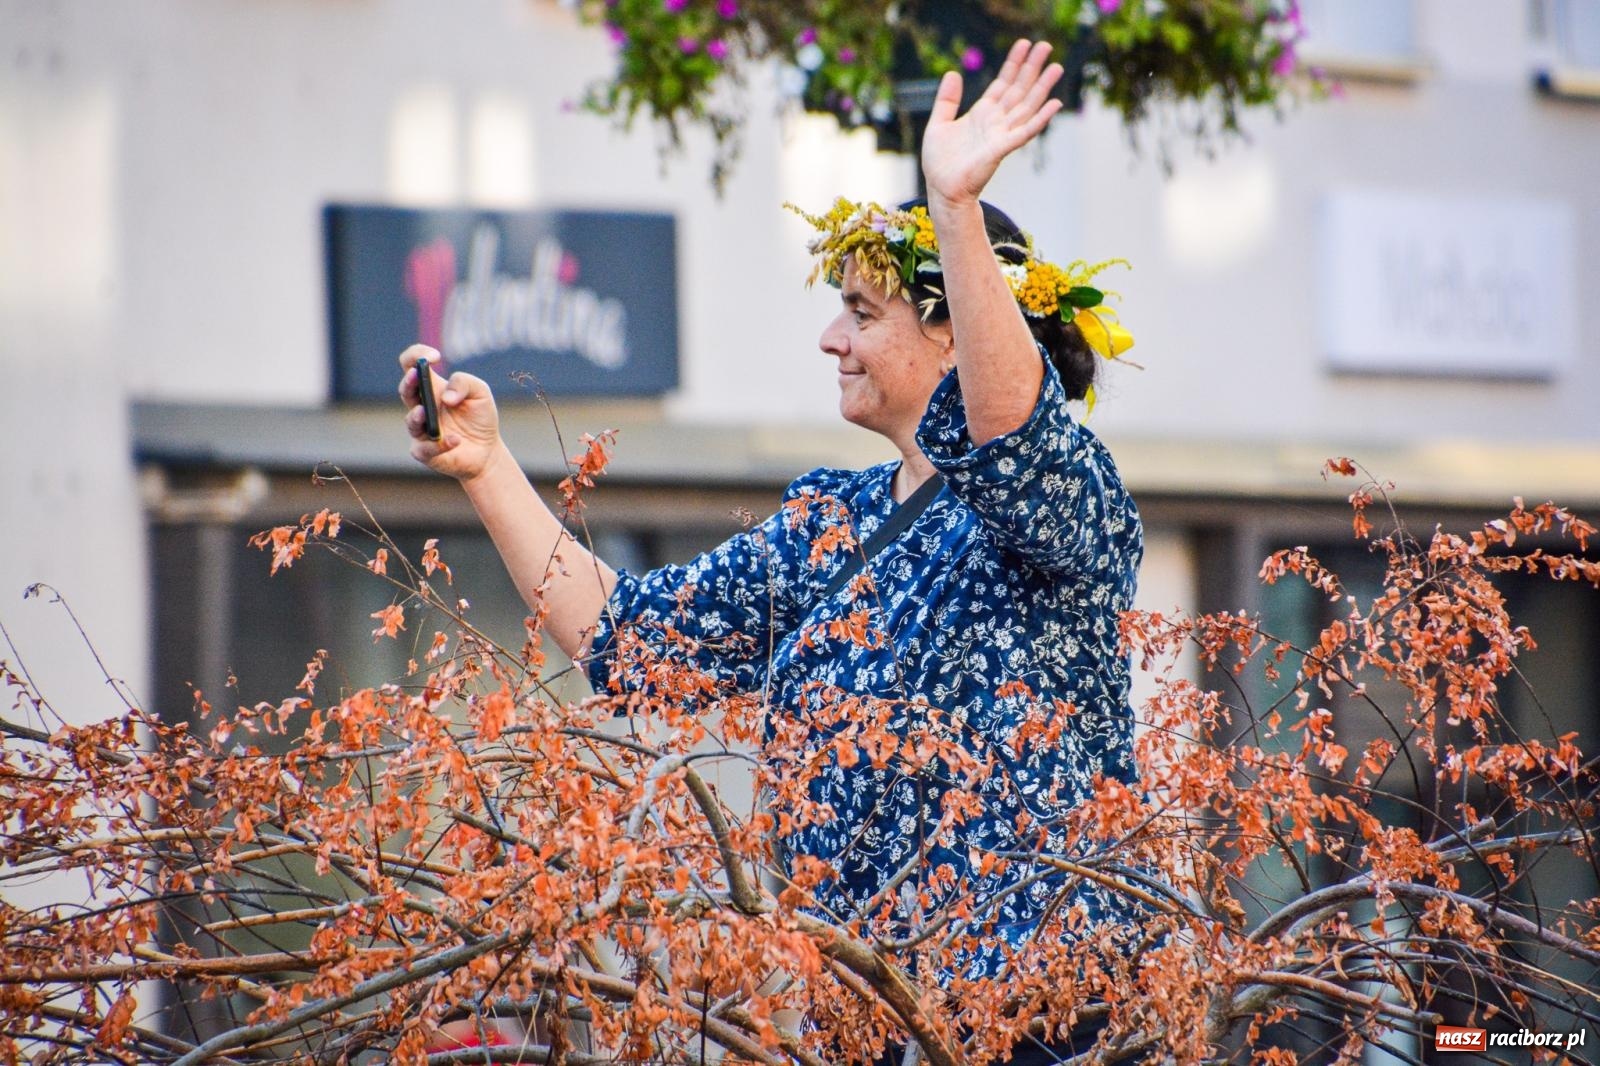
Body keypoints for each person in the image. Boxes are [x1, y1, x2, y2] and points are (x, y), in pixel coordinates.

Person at [399, 39, 1143, 1064]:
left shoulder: (1062, 500)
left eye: (862, 311)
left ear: (952, 335)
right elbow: (627, 642)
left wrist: (954, 210)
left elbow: (1011, 435)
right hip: (867, 1025)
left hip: (1042, 1025)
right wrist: (484, 465)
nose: (831, 338)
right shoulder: (831, 519)